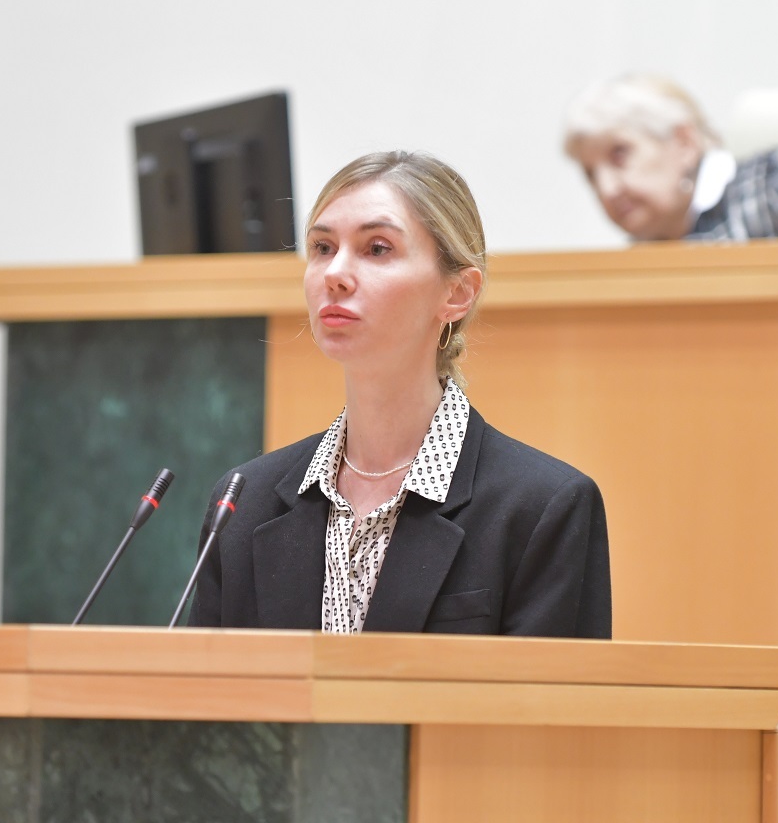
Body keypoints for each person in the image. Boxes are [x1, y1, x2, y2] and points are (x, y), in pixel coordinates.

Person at [188, 151, 611, 637]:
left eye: (377, 248)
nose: (334, 273)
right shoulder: (243, 503)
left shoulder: (543, 507)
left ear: (457, 293)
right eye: (323, 247)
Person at [562, 73, 778, 241]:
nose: (606, 189)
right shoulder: (635, 262)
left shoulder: (774, 181)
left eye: (619, 155)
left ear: (685, 143)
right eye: (590, 174)